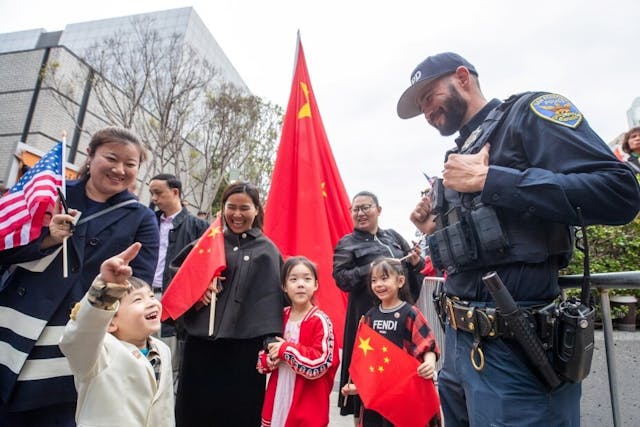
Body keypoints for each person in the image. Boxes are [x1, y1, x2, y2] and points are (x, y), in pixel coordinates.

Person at [397, 52, 640, 426]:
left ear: (463, 77)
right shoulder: (458, 154)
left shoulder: (529, 113)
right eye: (421, 107)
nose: (427, 112)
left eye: (429, 96)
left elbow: (619, 193)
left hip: (518, 352)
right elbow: (485, 247)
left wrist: (494, 180)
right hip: (459, 353)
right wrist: (435, 230)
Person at [0, 126, 159, 426]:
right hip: (12, 332)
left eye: (130, 164)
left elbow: (139, 289)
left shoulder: (142, 218)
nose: (119, 169)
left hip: (73, 346)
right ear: (90, 154)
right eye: (111, 158)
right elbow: (5, 245)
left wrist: (112, 282)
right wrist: (46, 239)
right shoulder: (51, 192)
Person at [175, 181, 284, 427]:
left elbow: (273, 300)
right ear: (222, 208)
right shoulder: (208, 244)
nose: (237, 214)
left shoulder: (268, 251)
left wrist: (271, 342)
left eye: (244, 208)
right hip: (201, 345)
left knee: (240, 414)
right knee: (194, 411)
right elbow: (179, 278)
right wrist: (197, 293)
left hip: (245, 350)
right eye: (231, 207)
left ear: (256, 210)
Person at [333, 190, 425, 423]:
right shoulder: (347, 243)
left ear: (379, 210)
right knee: (364, 392)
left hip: (401, 322)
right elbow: (342, 279)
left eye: (366, 207)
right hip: (367, 325)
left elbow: (416, 271)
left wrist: (416, 262)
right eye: (356, 209)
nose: (361, 213)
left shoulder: (393, 236)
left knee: (400, 385)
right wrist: (373, 267)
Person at [59, 242, 174, 427]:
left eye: (151, 296)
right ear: (110, 321)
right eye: (138, 300)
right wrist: (106, 290)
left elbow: (165, 411)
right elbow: (79, 336)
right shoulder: (98, 354)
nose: (151, 303)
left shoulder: (163, 350)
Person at [341, 257, 440, 426]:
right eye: (374, 280)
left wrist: (429, 364)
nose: (378, 284)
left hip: (406, 391)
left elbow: (427, 344)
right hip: (379, 394)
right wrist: (358, 387)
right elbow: (367, 360)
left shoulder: (411, 313)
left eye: (384, 278)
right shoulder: (370, 316)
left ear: (400, 281)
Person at [257, 256, 339, 427]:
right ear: (284, 286)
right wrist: (270, 359)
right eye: (293, 279)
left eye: (307, 279)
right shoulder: (279, 316)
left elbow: (321, 362)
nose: (301, 284)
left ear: (316, 284)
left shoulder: (320, 320)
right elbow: (263, 356)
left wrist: (285, 350)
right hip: (279, 395)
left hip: (306, 401)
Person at [149, 173, 208, 385]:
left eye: (158, 193)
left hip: (173, 301)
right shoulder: (148, 220)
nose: (154, 199)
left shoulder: (197, 227)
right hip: (144, 294)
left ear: (175, 192)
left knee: (167, 360)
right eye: (151, 193)